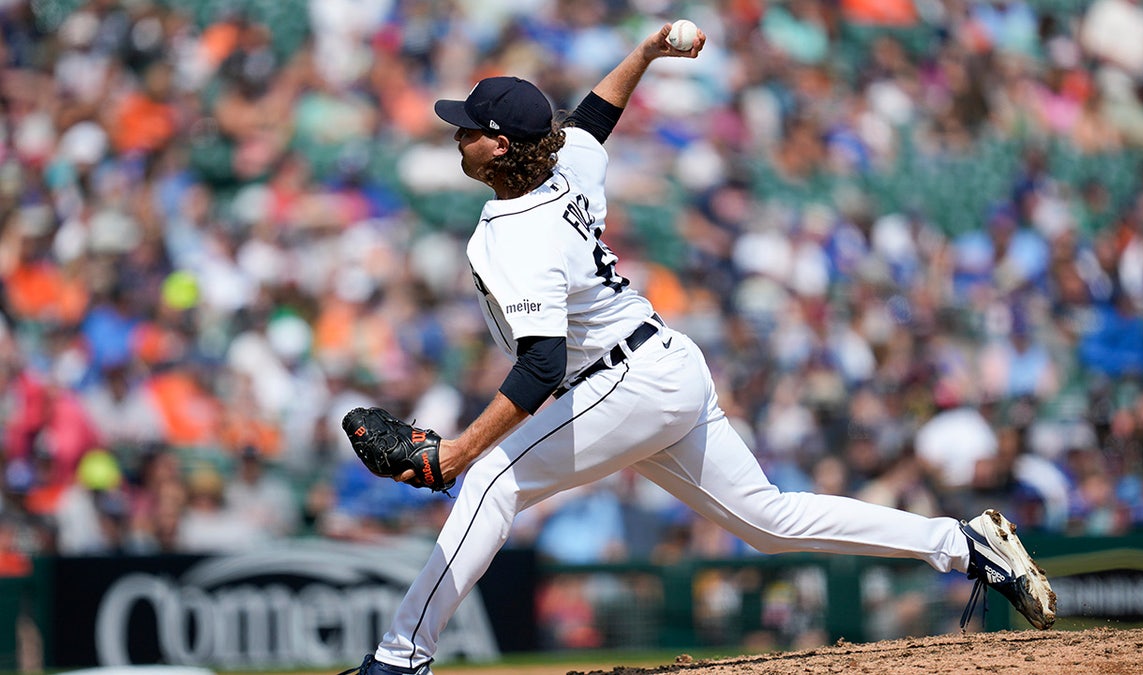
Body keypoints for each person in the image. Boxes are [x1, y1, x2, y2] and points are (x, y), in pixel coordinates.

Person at [339, 21, 1056, 675]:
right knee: (769, 522)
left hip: (626, 380)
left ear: (500, 144)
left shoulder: (513, 231)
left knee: (493, 477)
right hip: (661, 365)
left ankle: (399, 659)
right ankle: (965, 543)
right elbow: (593, 118)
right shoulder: (565, 167)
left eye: (468, 129)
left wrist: (459, 451)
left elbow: (542, 365)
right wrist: (645, 54)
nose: (455, 136)